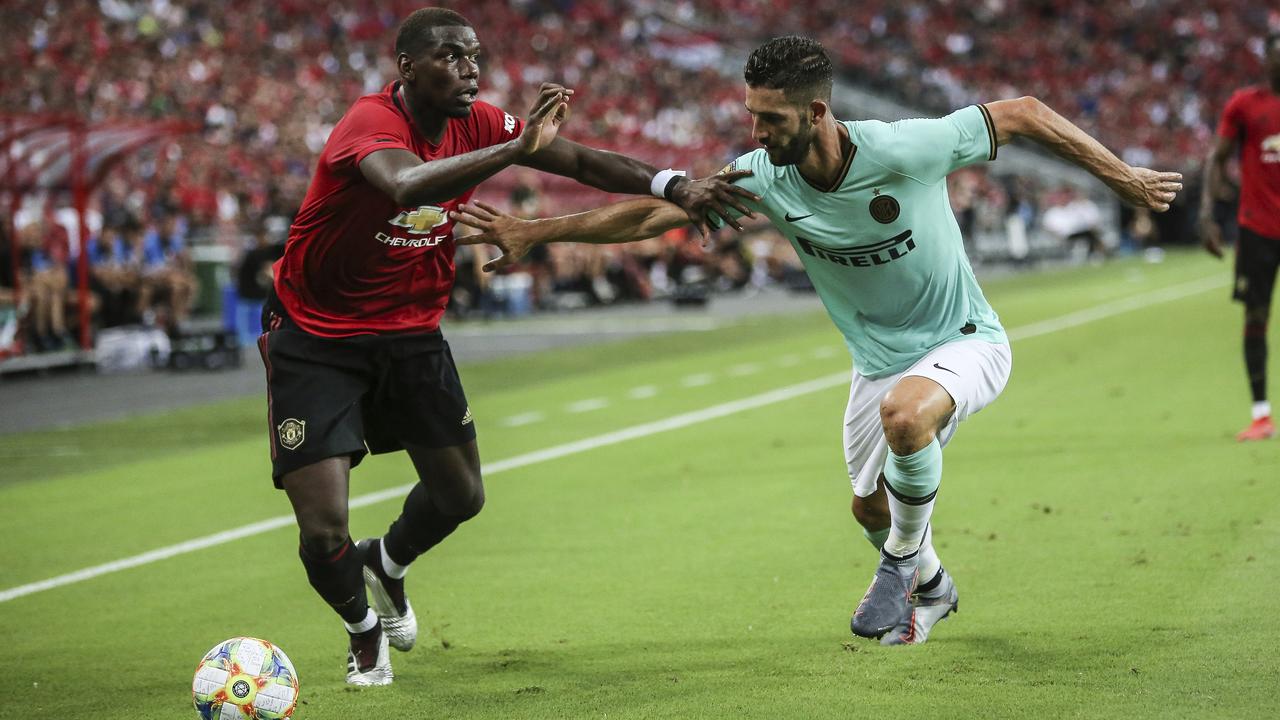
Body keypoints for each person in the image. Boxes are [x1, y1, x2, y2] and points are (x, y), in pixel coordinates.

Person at [453, 36, 1182, 646]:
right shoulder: (764, 176)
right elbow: (651, 219)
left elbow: (1021, 114)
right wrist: (534, 232)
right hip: (877, 363)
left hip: (966, 340)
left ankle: (900, 563)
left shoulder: (906, 148)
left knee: (907, 421)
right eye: (751, 117)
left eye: (770, 120)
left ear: (819, 112)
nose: (756, 134)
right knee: (867, 506)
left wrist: (1122, 179)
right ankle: (932, 584)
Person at [258, 7, 752, 686]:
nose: (470, 69)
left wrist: (675, 183)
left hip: (410, 332)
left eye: (475, 56)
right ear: (406, 67)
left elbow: (580, 159)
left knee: (461, 498)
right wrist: (515, 152)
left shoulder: (484, 122)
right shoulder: (370, 124)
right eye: (451, 57)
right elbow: (404, 184)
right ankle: (362, 630)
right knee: (321, 531)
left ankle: (387, 563)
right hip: (316, 335)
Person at [1200, 33, 1280, 442]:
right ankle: (1261, 414)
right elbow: (1218, 157)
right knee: (1256, 317)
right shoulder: (1246, 104)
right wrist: (1206, 213)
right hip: (1258, 229)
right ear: (1265, 61)